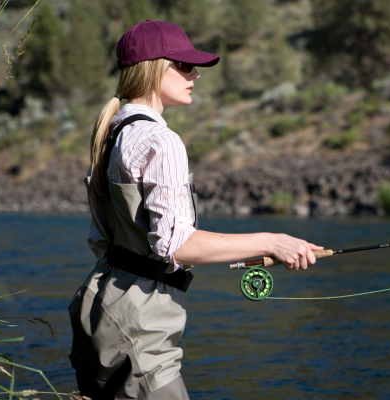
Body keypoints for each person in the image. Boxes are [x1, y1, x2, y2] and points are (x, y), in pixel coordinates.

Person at [68, 20, 323, 400]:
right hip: (140, 323)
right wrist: (273, 241)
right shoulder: (161, 140)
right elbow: (176, 246)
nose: (195, 74)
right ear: (155, 67)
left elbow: (100, 238)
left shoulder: (112, 132)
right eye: (184, 65)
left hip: (98, 304)